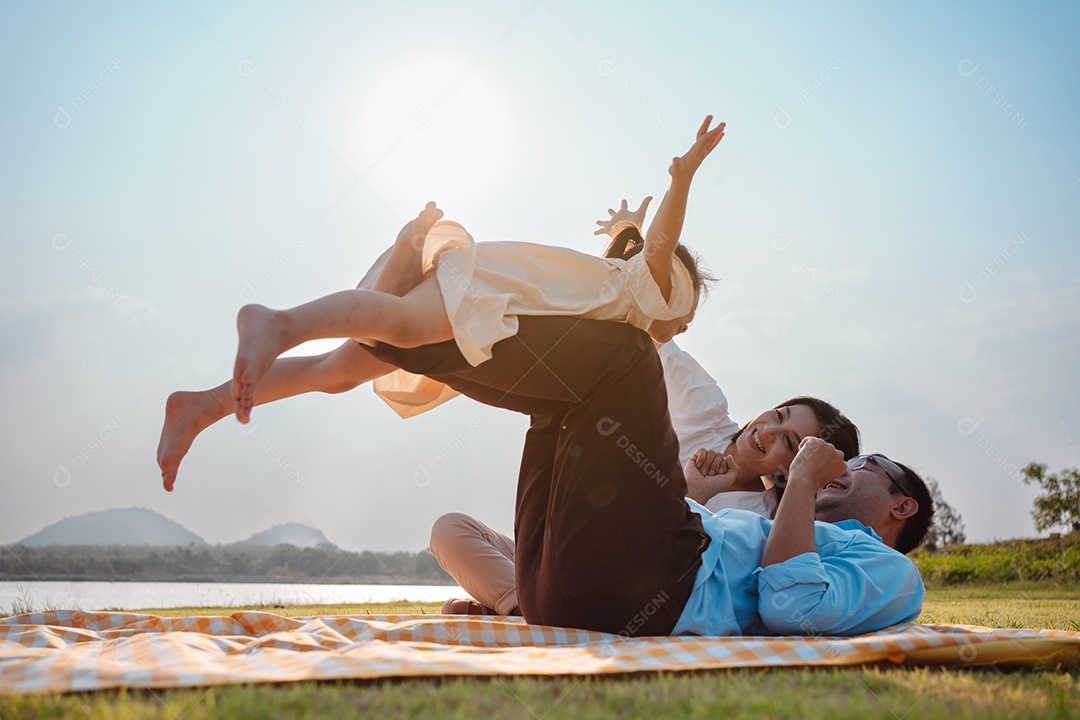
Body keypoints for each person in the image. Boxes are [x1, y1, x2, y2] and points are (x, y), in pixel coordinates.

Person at [357, 314, 935, 636]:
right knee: (555, 406)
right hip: (585, 587)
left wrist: (803, 481)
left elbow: (793, 608)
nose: (843, 467)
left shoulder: (892, 573)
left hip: (651, 580)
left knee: (627, 355)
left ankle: (393, 335)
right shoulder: (806, 525)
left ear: (900, 504)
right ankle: (411, 333)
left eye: (863, 465)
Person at [227, 117, 728, 429]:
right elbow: (660, 248)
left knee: (335, 375)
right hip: (492, 288)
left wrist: (626, 226)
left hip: (500, 281)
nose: (681, 331)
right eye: (686, 321)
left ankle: (202, 408)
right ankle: (278, 323)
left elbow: (642, 250)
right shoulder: (659, 295)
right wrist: (681, 181)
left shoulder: (615, 289)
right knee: (401, 325)